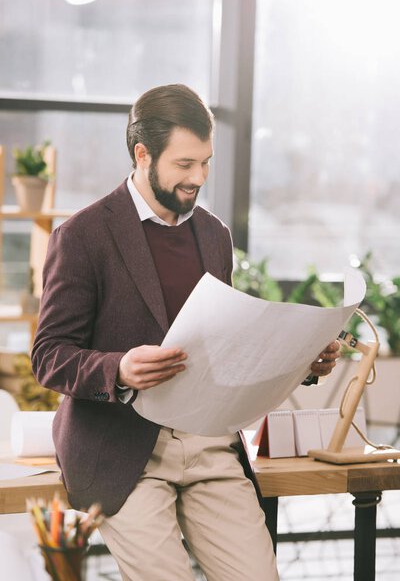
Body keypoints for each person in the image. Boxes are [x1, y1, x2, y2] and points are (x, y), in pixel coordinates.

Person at [31, 84, 341, 581]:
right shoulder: (83, 236)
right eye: (184, 164)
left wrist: (299, 359)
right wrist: (119, 368)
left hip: (209, 445)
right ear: (142, 153)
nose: (198, 177)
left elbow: (226, 344)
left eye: (206, 162)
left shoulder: (215, 235)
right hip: (123, 452)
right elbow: (48, 355)